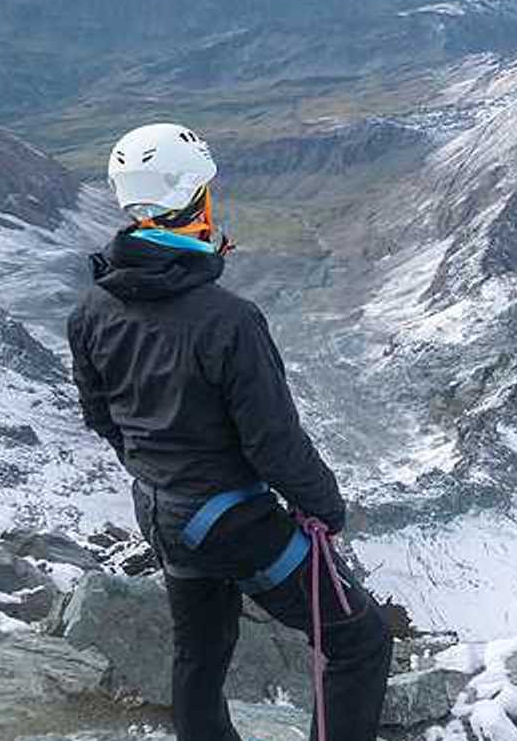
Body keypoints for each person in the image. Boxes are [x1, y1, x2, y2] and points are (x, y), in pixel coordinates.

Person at [66, 123, 391, 741]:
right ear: (195, 199)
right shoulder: (230, 321)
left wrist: (163, 473)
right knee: (359, 641)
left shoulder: (92, 311)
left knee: (201, 650)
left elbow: (103, 418)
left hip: (162, 512)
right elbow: (275, 445)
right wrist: (326, 506)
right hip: (232, 520)